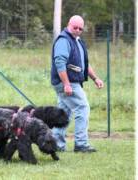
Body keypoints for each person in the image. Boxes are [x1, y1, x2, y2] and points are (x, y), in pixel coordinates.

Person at [50, 15, 104, 153]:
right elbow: (59, 62)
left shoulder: (77, 41)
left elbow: (84, 64)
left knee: (63, 113)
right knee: (83, 107)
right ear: (68, 24)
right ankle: (81, 144)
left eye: (81, 28)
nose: (78, 30)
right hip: (68, 83)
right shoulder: (64, 40)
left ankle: (56, 144)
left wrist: (95, 78)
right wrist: (66, 84)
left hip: (70, 82)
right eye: (75, 27)